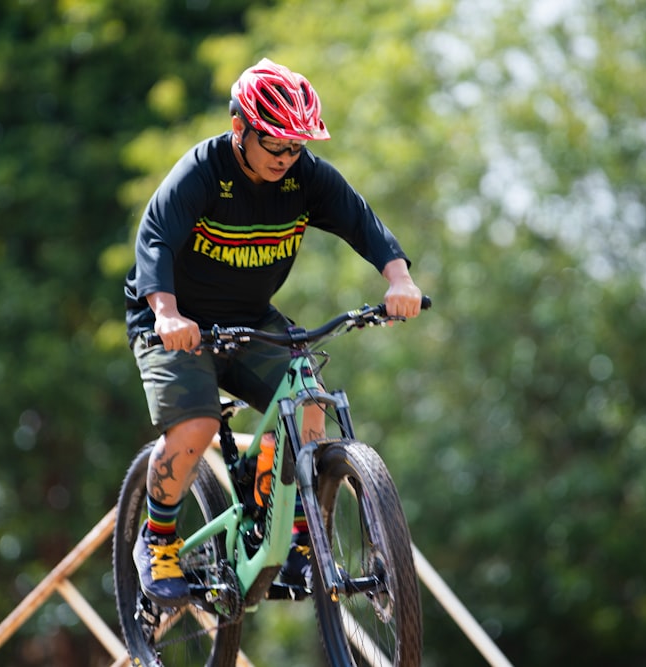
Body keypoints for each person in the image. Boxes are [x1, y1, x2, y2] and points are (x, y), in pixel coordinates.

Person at [124, 58, 423, 605]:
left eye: (296, 148)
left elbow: (361, 221)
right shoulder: (203, 171)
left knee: (309, 398)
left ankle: (298, 536)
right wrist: (167, 313)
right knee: (195, 424)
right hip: (172, 320)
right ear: (240, 128)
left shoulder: (305, 176)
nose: (287, 160)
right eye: (276, 147)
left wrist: (399, 278)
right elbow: (156, 239)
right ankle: (157, 538)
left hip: (249, 319)